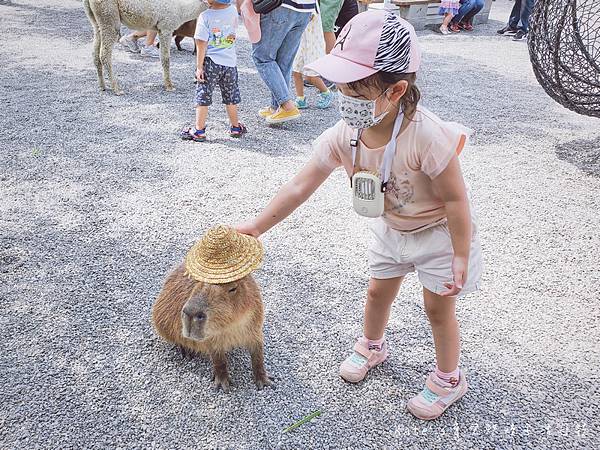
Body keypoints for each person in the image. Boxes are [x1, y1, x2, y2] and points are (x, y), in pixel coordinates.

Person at [235, 11, 483, 421]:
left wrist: (459, 253)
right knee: (376, 293)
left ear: (396, 90)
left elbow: (457, 201)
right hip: (392, 227)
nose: (343, 96)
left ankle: (448, 377)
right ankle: (372, 345)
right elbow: (301, 184)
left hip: (439, 232)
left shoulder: (426, 135)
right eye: (341, 85)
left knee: (437, 308)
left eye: (355, 90)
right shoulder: (343, 135)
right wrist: (258, 227)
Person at [180, 0, 246, 142]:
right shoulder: (233, 10)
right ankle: (235, 127)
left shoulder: (205, 16)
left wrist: (199, 67)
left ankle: (199, 130)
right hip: (230, 62)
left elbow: (201, 42)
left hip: (211, 62)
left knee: (203, 95)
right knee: (231, 95)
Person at [252, 0, 316, 124]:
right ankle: (277, 107)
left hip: (281, 6)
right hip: (306, 9)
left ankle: (287, 105)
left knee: (262, 57)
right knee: (284, 62)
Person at [292, 11, 335, 110]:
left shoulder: (310, 5)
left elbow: (306, 18)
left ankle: (326, 93)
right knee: (296, 71)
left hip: (313, 45)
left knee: (311, 76)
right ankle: (300, 98)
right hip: (302, 43)